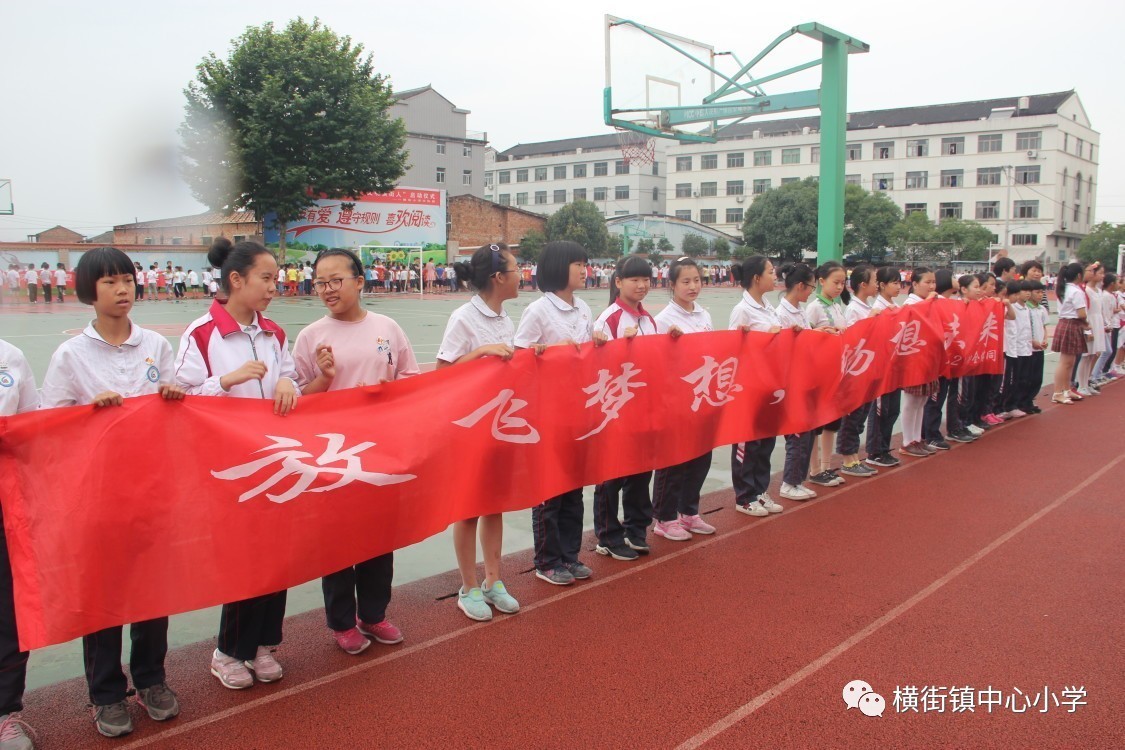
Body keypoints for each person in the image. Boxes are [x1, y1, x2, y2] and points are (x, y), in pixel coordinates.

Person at [39, 247, 185, 738]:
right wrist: (88, 414)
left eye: (127, 279)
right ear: (88, 291)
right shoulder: (71, 355)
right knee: (104, 596)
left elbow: (174, 413)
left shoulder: (155, 346)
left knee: (152, 591)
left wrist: (171, 397)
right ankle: (106, 692)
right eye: (109, 283)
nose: (122, 290)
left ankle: (151, 679)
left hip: (150, 489)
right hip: (97, 497)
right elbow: (49, 424)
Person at [175, 237, 299, 689]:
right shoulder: (202, 334)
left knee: (278, 556)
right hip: (229, 469)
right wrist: (224, 381)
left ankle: (264, 644)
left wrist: (289, 383)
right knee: (243, 559)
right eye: (266, 278)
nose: (274, 286)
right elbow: (178, 399)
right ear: (236, 279)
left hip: (277, 462)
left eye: (276, 277)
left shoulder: (274, 333)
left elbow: (290, 379)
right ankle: (228, 651)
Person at [294, 248, 416, 654]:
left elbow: (411, 381)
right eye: (320, 283)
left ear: (359, 282)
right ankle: (343, 622)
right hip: (334, 457)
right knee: (338, 542)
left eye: (335, 281)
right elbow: (298, 400)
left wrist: (391, 396)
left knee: (379, 538)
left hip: (381, 452)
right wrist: (325, 379)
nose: (327, 290)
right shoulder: (311, 336)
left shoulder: (387, 327)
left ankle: (374, 614)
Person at [435, 243, 522, 621]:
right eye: (517, 269)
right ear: (498, 277)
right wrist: (482, 352)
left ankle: (493, 580)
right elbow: (442, 372)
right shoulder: (464, 317)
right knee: (468, 508)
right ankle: (468, 587)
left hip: (499, 423)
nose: (522, 274)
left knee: (494, 504)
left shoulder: (505, 316)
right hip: (468, 426)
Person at [514, 241, 595, 583]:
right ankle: (547, 561)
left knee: (574, 488)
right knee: (551, 490)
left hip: (578, 410)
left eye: (584, 264)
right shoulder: (538, 311)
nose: (583, 269)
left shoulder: (584, 309)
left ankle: (570, 555)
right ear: (559, 267)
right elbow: (520, 358)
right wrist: (552, 352)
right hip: (547, 413)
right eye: (577, 263)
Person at [591, 255, 659, 560]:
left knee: (641, 471)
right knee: (611, 475)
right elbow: (600, 367)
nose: (642, 285)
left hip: (643, 409)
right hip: (615, 411)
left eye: (646, 279)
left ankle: (636, 528)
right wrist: (623, 347)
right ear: (618, 282)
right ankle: (607, 535)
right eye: (635, 279)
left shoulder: (649, 319)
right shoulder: (610, 319)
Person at [651, 257, 719, 540]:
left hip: (701, 397)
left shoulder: (704, 315)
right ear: (672, 284)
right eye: (686, 281)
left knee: (701, 456)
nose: (693, 286)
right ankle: (664, 518)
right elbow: (656, 360)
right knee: (674, 459)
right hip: (675, 401)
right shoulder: (664, 319)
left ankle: (688, 512)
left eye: (697, 280)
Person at [0, 339, 40, 749]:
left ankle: (4, 713)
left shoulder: (10, 356)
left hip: (5, 499)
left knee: (8, 612)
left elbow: (32, 424)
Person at [729, 255, 785, 516]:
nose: (775, 277)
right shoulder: (743, 310)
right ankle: (744, 496)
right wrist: (764, 339)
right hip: (750, 388)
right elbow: (734, 349)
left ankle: (760, 490)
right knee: (747, 443)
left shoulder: (768, 306)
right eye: (771, 272)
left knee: (765, 443)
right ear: (756, 278)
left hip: (771, 387)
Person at [774, 263, 819, 502]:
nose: (812, 290)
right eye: (811, 286)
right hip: (790, 381)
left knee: (808, 430)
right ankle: (789, 482)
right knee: (797, 433)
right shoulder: (780, 313)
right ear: (800, 285)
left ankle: (797, 480)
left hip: (806, 377)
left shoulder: (800, 310)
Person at [804, 260, 849, 485]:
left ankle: (826, 465)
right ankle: (814, 470)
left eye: (843, 282)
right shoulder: (814, 307)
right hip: (818, 374)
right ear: (821, 282)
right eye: (836, 282)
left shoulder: (836, 305)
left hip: (835, 372)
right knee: (816, 424)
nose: (840, 286)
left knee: (832, 421)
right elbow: (806, 339)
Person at [836, 264, 881, 477]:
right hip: (856, 370)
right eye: (874, 281)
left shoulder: (867, 305)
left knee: (861, 414)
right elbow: (854, 338)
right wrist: (873, 319)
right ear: (863, 285)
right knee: (852, 415)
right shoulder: (855, 308)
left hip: (869, 368)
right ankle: (847, 458)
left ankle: (854, 456)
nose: (877, 285)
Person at [923, 271, 975, 448]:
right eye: (952, 276)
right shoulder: (934, 301)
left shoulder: (953, 303)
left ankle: (944, 429)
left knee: (947, 394)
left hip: (952, 356)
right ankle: (930, 434)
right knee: (935, 398)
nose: (956, 279)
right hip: (938, 358)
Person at [865, 267, 904, 468]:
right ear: (881, 285)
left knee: (893, 410)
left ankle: (884, 447)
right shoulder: (878, 309)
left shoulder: (896, 307)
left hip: (894, 367)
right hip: (881, 368)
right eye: (894, 283)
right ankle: (874, 450)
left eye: (899, 283)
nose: (899, 287)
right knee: (880, 409)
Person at [899, 267, 939, 458]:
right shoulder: (911, 303)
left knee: (923, 399)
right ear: (914, 284)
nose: (932, 286)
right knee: (912, 400)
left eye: (933, 282)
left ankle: (917, 438)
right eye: (927, 282)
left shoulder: (929, 303)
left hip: (928, 356)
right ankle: (907, 441)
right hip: (914, 357)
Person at [1049, 262, 1088, 405]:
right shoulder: (1076, 291)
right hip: (1071, 324)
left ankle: (1066, 389)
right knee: (1065, 362)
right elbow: (1082, 313)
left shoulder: (1065, 288)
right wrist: (1087, 322)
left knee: (1069, 361)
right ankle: (1058, 392)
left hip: (1067, 323)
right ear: (1079, 275)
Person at [1021, 279, 1049, 414]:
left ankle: (1030, 400)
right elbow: (1026, 329)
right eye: (1037, 292)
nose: (1040, 295)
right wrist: (1033, 341)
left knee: (1037, 377)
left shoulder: (1041, 309)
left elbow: (1044, 327)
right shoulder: (1027, 309)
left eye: (1042, 292)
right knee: (1027, 377)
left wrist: (1044, 339)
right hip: (1030, 348)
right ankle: (1024, 401)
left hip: (1039, 348)